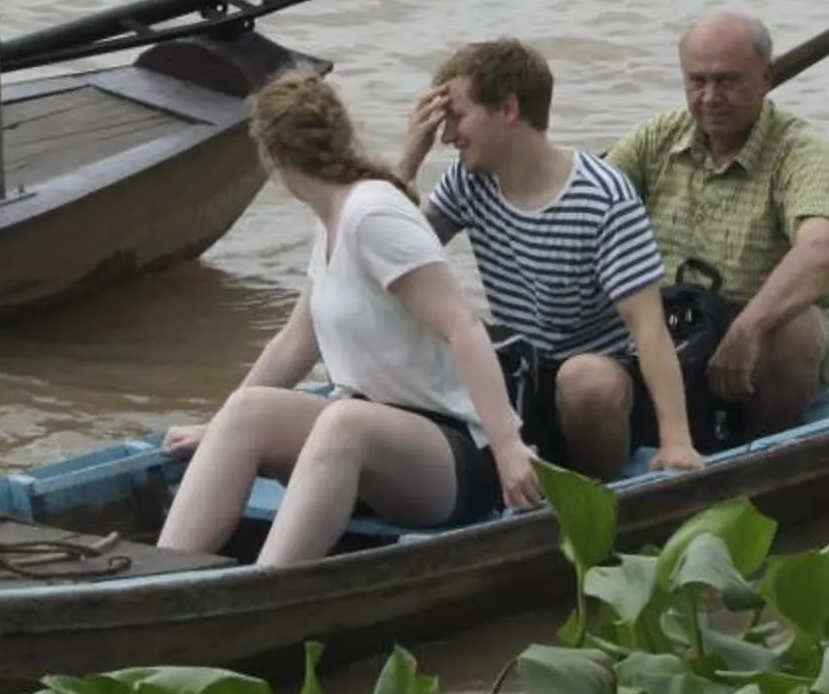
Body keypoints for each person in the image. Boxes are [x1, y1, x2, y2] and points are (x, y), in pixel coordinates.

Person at [157, 70, 541, 567]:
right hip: (372, 442)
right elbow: (297, 340)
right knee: (247, 408)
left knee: (344, 420)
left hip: (455, 457)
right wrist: (216, 428)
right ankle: (160, 576)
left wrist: (508, 447)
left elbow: (463, 326)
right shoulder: (333, 217)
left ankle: (268, 585)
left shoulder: (371, 214)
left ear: (271, 157)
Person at [394, 38, 702, 478]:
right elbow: (392, 256)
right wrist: (408, 162)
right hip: (523, 372)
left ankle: (599, 491)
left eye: (457, 118)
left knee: (584, 380)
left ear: (508, 109)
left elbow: (648, 326)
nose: (447, 137)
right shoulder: (467, 181)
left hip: (606, 386)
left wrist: (677, 442)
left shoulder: (602, 197)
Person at [606, 13, 829, 440]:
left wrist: (747, 329)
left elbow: (822, 250)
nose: (710, 98)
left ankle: (761, 456)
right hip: (675, 328)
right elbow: (587, 206)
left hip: (767, 337)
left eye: (727, 82)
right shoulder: (654, 139)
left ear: (766, 78)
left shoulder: (803, 152)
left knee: (791, 333)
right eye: (697, 82)